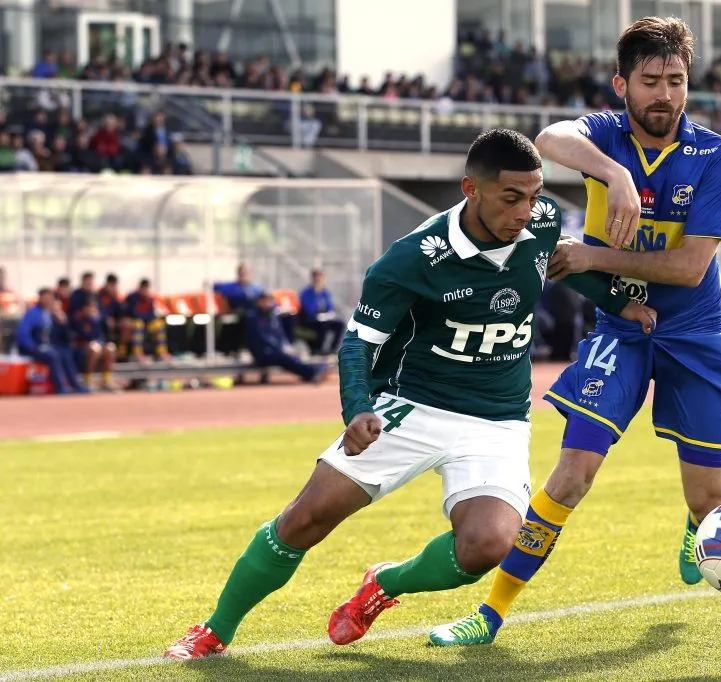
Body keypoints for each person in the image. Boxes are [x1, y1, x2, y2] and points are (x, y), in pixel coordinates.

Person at [163, 129, 656, 660]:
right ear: (472, 189)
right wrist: (358, 410)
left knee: (487, 545)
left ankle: (384, 584)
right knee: (305, 519)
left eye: (535, 195)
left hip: (497, 420)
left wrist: (617, 301)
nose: (526, 210)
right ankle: (215, 629)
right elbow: (358, 344)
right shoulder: (413, 259)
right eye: (512, 197)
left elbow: (555, 266)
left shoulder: (538, 223)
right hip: (413, 405)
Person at [430, 16, 721, 646]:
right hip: (621, 330)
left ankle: (697, 523)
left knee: (711, 501)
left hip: (694, 331)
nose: (665, 95)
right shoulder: (604, 135)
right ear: (620, 84)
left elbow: (688, 268)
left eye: (676, 81)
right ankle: (490, 614)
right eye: (651, 81)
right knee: (572, 473)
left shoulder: (718, 156)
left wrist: (594, 256)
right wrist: (618, 175)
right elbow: (547, 138)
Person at [15, 288, 87, 394]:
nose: (48, 301)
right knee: (54, 355)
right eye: (45, 298)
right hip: (34, 347)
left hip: (49, 346)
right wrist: (32, 347)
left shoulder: (51, 314)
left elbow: (66, 337)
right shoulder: (33, 313)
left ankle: (75, 384)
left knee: (66, 353)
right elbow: (22, 333)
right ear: (40, 299)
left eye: (50, 298)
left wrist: (63, 322)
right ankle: (60, 387)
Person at [244, 291, 326, 383]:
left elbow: (279, 334)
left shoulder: (272, 315)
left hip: (275, 351)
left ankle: (312, 372)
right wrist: (278, 349)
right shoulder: (253, 317)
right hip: (262, 353)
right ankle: (312, 372)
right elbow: (261, 338)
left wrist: (285, 346)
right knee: (286, 358)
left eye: (269, 301)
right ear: (259, 302)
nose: (267, 303)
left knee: (291, 357)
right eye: (264, 301)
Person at [71, 295, 117, 391]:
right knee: (94, 348)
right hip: (81, 348)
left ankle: (106, 380)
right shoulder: (78, 320)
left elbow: (101, 336)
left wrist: (96, 321)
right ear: (83, 308)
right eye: (89, 307)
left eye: (93, 307)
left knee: (110, 348)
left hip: (97, 345)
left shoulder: (97, 320)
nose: (91, 310)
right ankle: (87, 380)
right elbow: (83, 336)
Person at [298, 268, 346, 355]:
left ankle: (332, 350)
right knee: (321, 326)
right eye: (316, 278)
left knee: (340, 324)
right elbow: (309, 309)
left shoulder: (326, 293)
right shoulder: (306, 293)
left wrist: (329, 314)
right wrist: (316, 293)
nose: (318, 280)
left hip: (324, 318)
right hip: (310, 320)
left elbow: (330, 307)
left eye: (320, 278)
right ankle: (317, 350)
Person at [123, 278, 171, 362]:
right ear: (139, 288)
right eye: (143, 288)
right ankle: (137, 353)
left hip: (147, 323)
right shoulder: (132, 297)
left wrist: (145, 317)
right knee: (138, 324)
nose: (144, 290)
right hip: (134, 323)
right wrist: (144, 317)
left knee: (159, 324)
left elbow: (153, 314)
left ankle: (161, 352)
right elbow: (133, 314)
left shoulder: (150, 299)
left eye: (146, 288)